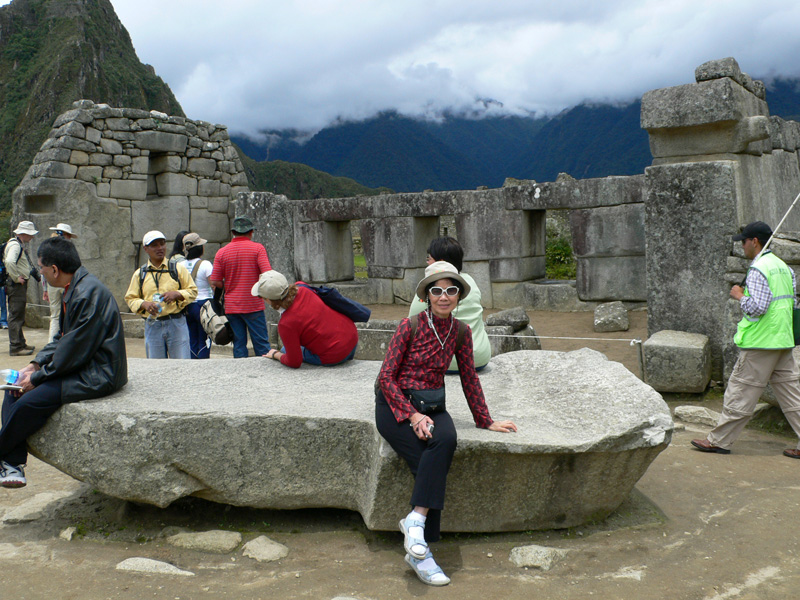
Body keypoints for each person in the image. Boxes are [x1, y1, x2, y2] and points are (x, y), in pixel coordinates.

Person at [375, 261, 518, 586]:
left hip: (431, 403)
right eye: (437, 290)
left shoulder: (461, 332)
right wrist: (412, 416)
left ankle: (415, 525)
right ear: (426, 296)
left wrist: (485, 420)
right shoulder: (409, 326)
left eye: (451, 290)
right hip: (395, 405)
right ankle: (423, 553)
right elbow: (386, 377)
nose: (444, 296)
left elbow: (469, 377)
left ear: (459, 296)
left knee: (446, 440)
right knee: (427, 462)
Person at [0, 236, 127, 488]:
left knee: (26, 402)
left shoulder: (86, 295)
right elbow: (63, 339)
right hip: (82, 365)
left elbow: (73, 352)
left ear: (55, 269)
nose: (40, 273)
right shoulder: (76, 287)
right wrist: (35, 365)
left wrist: (37, 378)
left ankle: (6, 456)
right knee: (13, 390)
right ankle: (11, 462)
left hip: (97, 373)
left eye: (41, 268)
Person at [692, 221, 800, 459]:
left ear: (755, 241)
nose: (742, 246)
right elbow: (793, 303)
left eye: (744, 241)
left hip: (761, 343)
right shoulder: (783, 267)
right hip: (783, 340)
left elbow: (758, 308)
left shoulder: (759, 269)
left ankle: (718, 441)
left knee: (739, 392)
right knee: (793, 397)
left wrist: (739, 296)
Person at [408, 237, 491, 372]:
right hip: (479, 357)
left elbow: (412, 322)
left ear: (440, 262)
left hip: (444, 360)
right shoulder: (470, 281)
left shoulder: (431, 286)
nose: (427, 263)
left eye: (429, 258)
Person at [254, 270, 358, 368]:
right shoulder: (302, 288)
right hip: (351, 336)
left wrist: (275, 354)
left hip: (336, 353)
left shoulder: (286, 323)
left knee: (284, 350)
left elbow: (294, 362)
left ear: (268, 300)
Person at [124, 230, 197, 359]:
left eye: (162, 244)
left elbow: (193, 291)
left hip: (176, 323)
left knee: (182, 365)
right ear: (146, 249)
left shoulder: (177, 269)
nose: (160, 248)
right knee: (155, 366)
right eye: (154, 245)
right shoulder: (140, 274)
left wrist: (177, 294)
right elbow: (130, 298)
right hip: (153, 324)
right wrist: (144, 304)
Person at [209, 216, 271, 358]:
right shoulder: (258, 249)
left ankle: (240, 370)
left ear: (233, 233)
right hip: (254, 304)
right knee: (261, 345)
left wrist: (228, 284)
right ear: (251, 232)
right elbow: (267, 274)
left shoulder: (221, 252)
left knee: (238, 345)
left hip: (232, 306)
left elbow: (215, 281)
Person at [3, 221, 38, 356]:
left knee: (18, 314)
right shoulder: (15, 245)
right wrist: (16, 277)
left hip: (17, 284)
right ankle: (16, 346)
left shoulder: (17, 244)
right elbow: (10, 261)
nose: (32, 237)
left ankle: (20, 343)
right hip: (16, 285)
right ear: (24, 233)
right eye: (30, 234)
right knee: (16, 314)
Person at [43, 223, 77, 343]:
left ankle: (51, 344)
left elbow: (43, 270)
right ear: (66, 235)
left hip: (51, 284)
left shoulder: (47, 248)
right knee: (69, 314)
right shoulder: (69, 250)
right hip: (66, 283)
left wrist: (45, 289)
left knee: (55, 316)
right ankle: (66, 343)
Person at [183, 232, 213, 359]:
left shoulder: (180, 265)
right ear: (200, 248)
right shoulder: (205, 264)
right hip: (203, 305)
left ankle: (192, 361)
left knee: (191, 337)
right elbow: (213, 284)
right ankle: (203, 361)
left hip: (188, 305)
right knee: (204, 338)